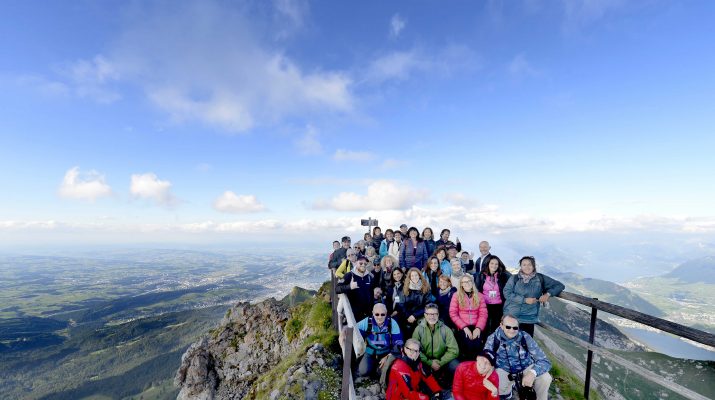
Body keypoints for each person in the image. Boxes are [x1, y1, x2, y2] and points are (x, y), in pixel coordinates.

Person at [484, 315, 553, 400]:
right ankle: (506, 394)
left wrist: (532, 373)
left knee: (545, 378)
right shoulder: (493, 338)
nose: (512, 330)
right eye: (508, 327)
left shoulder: (525, 337)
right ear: (501, 325)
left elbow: (544, 361)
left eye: (515, 328)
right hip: (503, 369)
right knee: (497, 386)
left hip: (526, 367)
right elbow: (485, 359)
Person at [503, 256, 564, 337]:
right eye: (524, 265)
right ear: (520, 266)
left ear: (534, 266)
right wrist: (524, 300)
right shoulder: (514, 278)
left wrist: (548, 294)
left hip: (528, 318)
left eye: (529, 264)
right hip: (511, 316)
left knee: (526, 345)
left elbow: (559, 286)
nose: (527, 267)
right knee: (508, 343)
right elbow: (506, 293)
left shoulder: (540, 278)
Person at [412, 303, 460, 387]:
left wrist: (440, 362)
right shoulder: (418, 330)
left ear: (438, 315)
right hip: (426, 361)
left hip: (442, 360)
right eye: (429, 314)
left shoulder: (445, 329)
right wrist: (430, 363)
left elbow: (454, 350)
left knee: (456, 366)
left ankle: (453, 385)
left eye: (434, 314)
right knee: (415, 364)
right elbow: (414, 350)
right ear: (425, 315)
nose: (432, 317)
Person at [356, 303, 404, 377]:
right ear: (373, 313)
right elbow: (354, 331)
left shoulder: (392, 323)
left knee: (382, 373)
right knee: (363, 371)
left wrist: (389, 356)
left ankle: (377, 369)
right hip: (370, 351)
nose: (379, 317)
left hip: (385, 353)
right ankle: (370, 365)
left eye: (382, 314)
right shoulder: (366, 322)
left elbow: (398, 343)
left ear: (386, 314)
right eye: (377, 314)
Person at [450, 275, 488, 360]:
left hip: (477, 325)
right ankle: (466, 366)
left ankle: (476, 367)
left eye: (469, 281)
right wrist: (464, 328)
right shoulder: (456, 295)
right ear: (461, 284)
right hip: (463, 326)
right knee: (467, 345)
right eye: (464, 282)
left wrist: (478, 328)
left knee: (477, 344)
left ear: (472, 282)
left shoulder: (479, 295)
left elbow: (483, 314)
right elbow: (453, 313)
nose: (467, 283)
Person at [475, 256, 511, 336]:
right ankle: (485, 344)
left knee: (497, 326)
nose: (494, 266)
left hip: (498, 305)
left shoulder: (503, 275)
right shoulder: (481, 275)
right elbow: (477, 289)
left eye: (496, 264)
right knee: (485, 326)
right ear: (488, 264)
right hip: (484, 305)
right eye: (492, 263)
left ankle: (496, 343)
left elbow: (513, 281)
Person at [335, 255, 375, 322]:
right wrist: (349, 287)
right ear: (356, 263)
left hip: (368, 313)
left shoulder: (369, 277)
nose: (363, 265)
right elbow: (337, 289)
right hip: (354, 314)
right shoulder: (349, 275)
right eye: (361, 263)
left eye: (365, 264)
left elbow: (371, 294)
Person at [397, 268, 433, 338]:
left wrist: (415, 316)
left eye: (416, 275)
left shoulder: (426, 287)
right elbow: (401, 304)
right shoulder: (404, 288)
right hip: (406, 316)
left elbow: (428, 305)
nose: (414, 277)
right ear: (409, 277)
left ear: (419, 276)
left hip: (420, 315)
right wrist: (409, 316)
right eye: (412, 276)